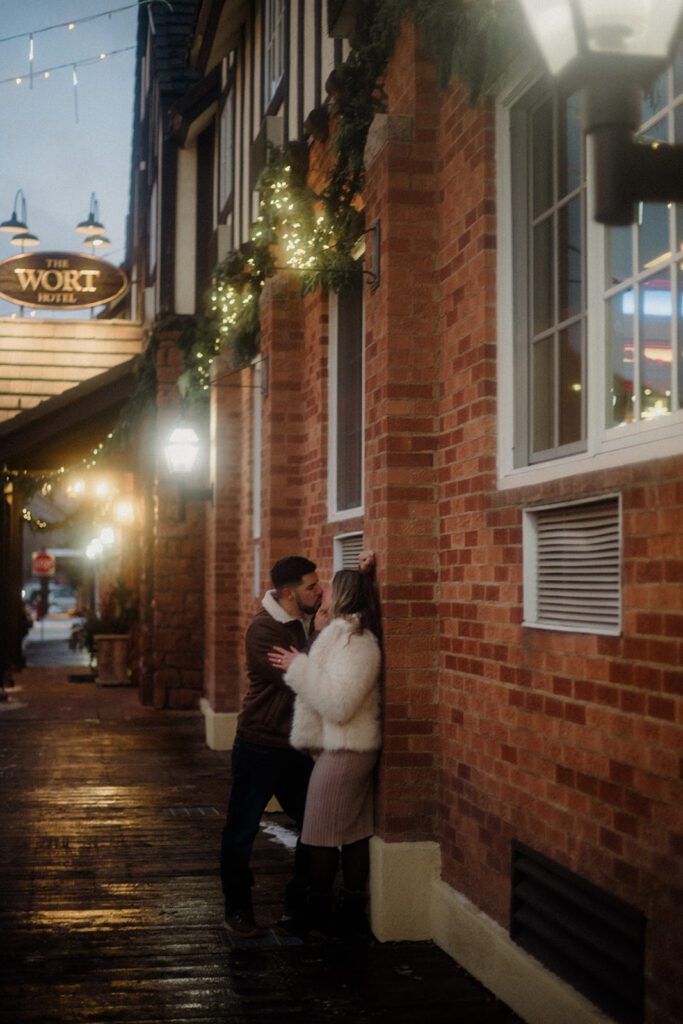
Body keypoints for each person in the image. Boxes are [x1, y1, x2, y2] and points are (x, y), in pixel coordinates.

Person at [268, 567, 383, 938]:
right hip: (340, 746)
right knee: (351, 831)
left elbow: (338, 704)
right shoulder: (340, 635)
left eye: (329, 588)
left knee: (318, 834)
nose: (322, 593)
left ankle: (319, 912)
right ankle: (349, 910)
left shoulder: (359, 644)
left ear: (346, 596)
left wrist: (296, 667)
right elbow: (328, 676)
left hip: (347, 749)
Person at [220, 555, 322, 937]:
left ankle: (297, 906)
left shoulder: (306, 619)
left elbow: (312, 664)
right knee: (241, 829)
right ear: (289, 593)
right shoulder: (263, 630)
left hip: (295, 747)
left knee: (314, 825)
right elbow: (300, 677)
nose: (320, 590)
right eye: (312, 586)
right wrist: (315, 644)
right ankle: (237, 908)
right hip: (259, 744)